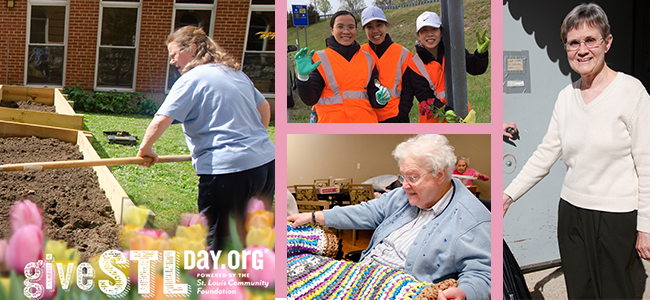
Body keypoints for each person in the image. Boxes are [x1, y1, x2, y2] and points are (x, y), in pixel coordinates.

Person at [502, 4, 650, 299]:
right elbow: (546, 153)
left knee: (616, 293)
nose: (582, 50)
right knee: (580, 291)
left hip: (616, 216)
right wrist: (508, 195)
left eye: (590, 40)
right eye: (573, 43)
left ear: (607, 42)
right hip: (571, 211)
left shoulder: (632, 93)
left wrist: (645, 225)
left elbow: (647, 164)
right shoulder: (566, 97)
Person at [288, 134, 491, 300]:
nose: (404, 185)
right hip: (362, 276)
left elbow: (483, 274)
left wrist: (466, 293)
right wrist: (313, 216)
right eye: (403, 177)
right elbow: (365, 212)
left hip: (399, 290)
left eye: (412, 177)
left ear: (440, 174)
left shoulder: (472, 218)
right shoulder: (402, 195)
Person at [137, 26, 275, 252]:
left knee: (218, 242)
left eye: (173, 55)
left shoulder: (192, 78)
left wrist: (146, 148)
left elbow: (161, 119)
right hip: (266, 166)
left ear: (192, 49)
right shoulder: (235, 73)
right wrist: (253, 141)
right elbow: (265, 108)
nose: (172, 61)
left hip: (228, 173)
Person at [294, 10, 391, 123]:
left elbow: (372, 94)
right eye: (340, 26)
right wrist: (303, 78)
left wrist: (380, 101)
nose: (346, 31)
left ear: (356, 30)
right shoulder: (320, 58)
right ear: (332, 30)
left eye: (351, 27)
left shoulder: (368, 59)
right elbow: (310, 99)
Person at [403, 11, 489, 123]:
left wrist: (481, 54)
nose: (430, 34)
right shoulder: (414, 64)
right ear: (419, 36)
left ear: (441, 32)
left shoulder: (454, 51)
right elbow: (424, 96)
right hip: (433, 123)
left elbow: (475, 68)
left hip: (460, 116)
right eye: (424, 30)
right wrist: (445, 111)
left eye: (434, 29)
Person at [359, 6, 414, 123]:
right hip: (367, 117)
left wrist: (402, 113)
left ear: (385, 26)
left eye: (379, 25)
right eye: (369, 27)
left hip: (396, 118)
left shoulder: (403, 54)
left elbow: (408, 90)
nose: (375, 31)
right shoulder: (359, 53)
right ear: (364, 29)